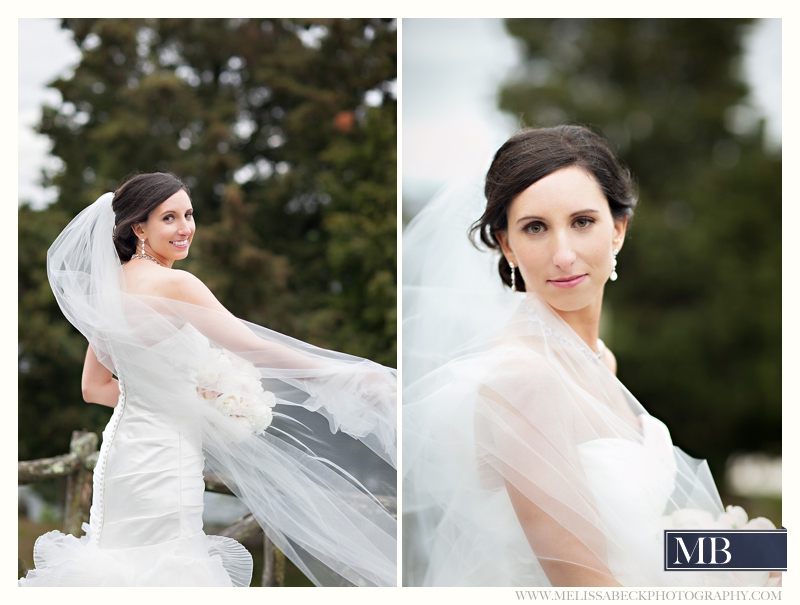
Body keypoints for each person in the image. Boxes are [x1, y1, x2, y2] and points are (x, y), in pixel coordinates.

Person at [402, 125, 779, 587]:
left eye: (582, 222)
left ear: (618, 230)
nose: (563, 255)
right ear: (506, 245)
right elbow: (586, 587)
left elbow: (636, 539)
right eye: (535, 228)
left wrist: (768, 559)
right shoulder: (524, 380)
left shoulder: (599, 360)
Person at [20, 172, 396, 587]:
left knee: (116, 568)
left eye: (189, 214)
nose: (185, 228)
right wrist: (348, 376)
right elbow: (254, 350)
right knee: (168, 570)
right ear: (138, 227)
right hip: (166, 458)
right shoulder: (177, 284)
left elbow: (94, 389)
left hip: (121, 457)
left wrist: (182, 402)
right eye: (169, 218)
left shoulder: (108, 288)